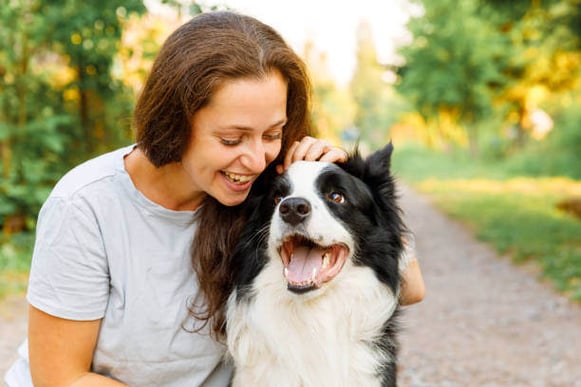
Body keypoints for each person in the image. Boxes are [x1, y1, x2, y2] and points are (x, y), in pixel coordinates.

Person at [4, 10, 424, 387]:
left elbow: (411, 287)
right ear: (175, 122)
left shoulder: (265, 190)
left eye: (272, 133)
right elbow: (61, 378)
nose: (257, 157)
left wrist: (340, 185)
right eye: (231, 138)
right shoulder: (85, 206)